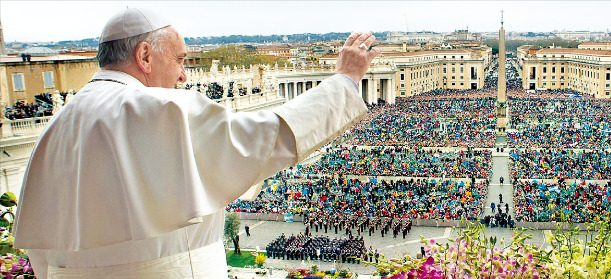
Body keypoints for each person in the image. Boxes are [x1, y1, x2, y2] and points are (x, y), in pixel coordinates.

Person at [13, 8, 381, 279]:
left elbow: (42, 254)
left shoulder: (57, 125)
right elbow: (266, 139)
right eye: (179, 59)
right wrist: (344, 81)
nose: (183, 74)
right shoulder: (158, 109)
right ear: (144, 56)